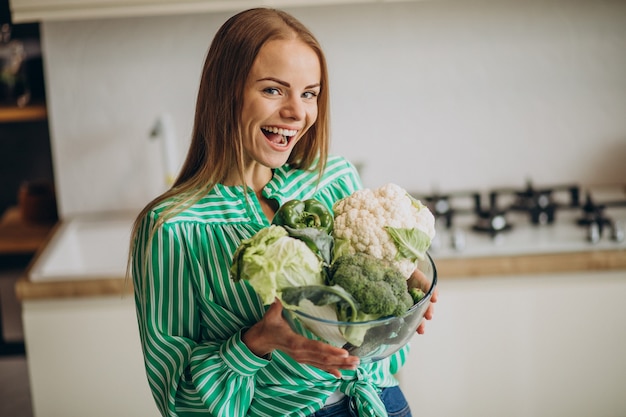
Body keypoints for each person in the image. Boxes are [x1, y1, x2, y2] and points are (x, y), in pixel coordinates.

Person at [129, 8, 438, 417]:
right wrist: (256, 341)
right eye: (274, 90)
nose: (297, 112)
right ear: (227, 92)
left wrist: (403, 288)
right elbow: (177, 398)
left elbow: (374, 327)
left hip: (381, 403)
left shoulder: (334, 179)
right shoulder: (173, 227)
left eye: (309, 93)